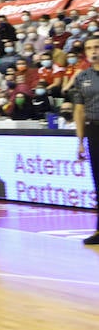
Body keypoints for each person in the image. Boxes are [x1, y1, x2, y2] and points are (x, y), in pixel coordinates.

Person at [67, 35, 99, 245]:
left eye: (97, 46)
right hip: (94, 129)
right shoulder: (82, 77)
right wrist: (80, 140)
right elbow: (78, 110)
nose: (93, 51)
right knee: (98, 180)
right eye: (89, 48)